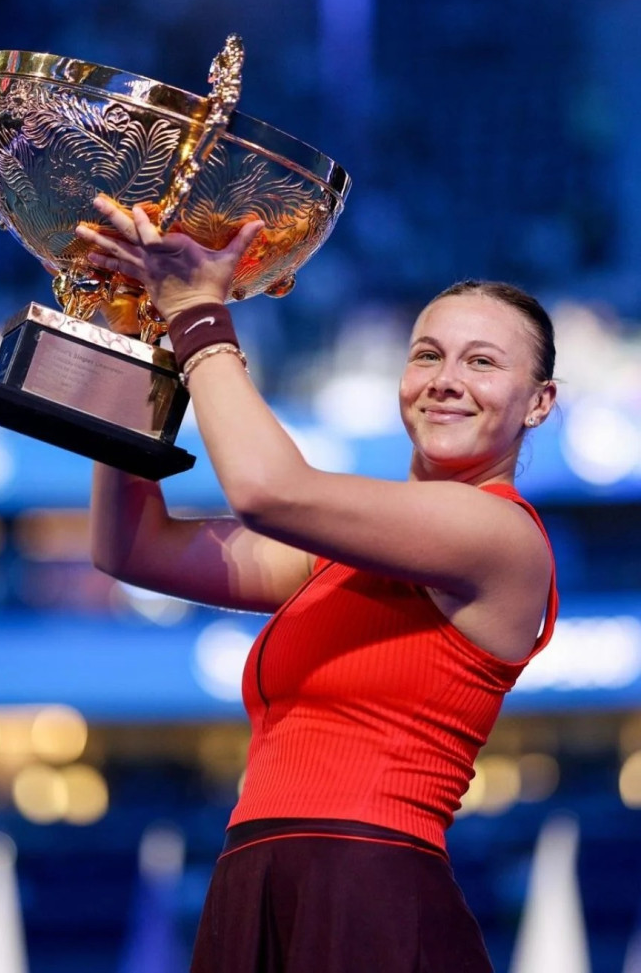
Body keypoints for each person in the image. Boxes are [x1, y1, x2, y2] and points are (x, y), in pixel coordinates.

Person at [76, 195, 559, 973]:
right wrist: (132, 338)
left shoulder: (501, 536)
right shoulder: (341, 557)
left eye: (483, 361)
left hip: (367, 892)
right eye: (427, 354)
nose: (444, 380)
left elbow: (267, 488)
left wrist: (197, 311)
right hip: (254, 883)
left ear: (539, 402)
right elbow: (132, 547)